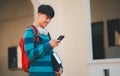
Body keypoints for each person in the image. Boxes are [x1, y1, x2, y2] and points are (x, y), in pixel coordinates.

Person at [23, 4, 63, 76]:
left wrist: (59, 67)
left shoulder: (47, 34)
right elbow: (30, 55)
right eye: (47, 18)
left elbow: (51, 54)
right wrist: (49, 45)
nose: (48, 21)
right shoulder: (30, 32)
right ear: (39, 14)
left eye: (50, 19)